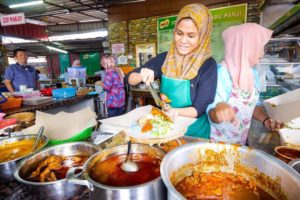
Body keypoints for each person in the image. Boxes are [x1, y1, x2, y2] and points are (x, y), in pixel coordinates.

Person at [128, 3, 217, 138]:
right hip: (167, 130)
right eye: (179, 33)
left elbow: (198, 109)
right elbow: (130, 79)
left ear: (202, 36)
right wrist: (141, 74)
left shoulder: (207, 65)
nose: (183, 40)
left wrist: (173, 111)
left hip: (194, 134)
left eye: (191, 36)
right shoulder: (165, 58)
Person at [207, 23, 283, 145]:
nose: (262, 53)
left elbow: (252, 106)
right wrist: (219, 110)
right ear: (246, 48)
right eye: (260, 47)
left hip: (240, 142)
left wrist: (266, 120)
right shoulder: (222, 74)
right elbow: (212, 112)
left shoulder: (253, 74)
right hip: (217, 143)